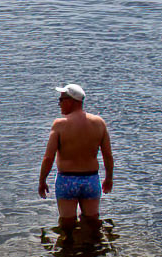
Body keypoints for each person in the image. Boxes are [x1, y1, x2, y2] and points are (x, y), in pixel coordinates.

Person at [38, 83, 113, 232]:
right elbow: (108, 155)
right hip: (91, 179)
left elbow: (48, 157)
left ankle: (68, 250)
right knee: (92, 222)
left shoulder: (60, 124)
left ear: (70, 101)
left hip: (67, 180)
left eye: (61, 100)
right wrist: (109, 178)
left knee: (67, 224)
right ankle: (94, 251)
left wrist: (42, 181)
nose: (59, 104)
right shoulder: (99, 123)